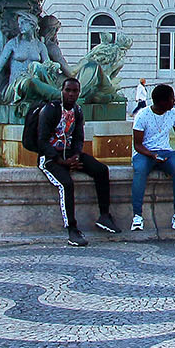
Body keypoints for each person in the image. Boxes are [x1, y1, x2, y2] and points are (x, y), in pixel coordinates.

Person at [35, 77, 115, 247]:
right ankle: (72, 229)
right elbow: (41, 141)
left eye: (75, 91)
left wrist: (76, 156)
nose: (71, 94)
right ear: (61, 91)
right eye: (68, 90)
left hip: (70, 154)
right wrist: (60, 161)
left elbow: (78, 137)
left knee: (101, 170)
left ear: (79, 93)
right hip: (50, 158)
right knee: (66, 184)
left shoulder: (77, 110)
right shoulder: (50, 110)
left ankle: (104, 215)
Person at [131, 82, 175, 232]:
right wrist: (152, 155)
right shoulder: (142, 115)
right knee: (140, 171)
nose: (174, 101)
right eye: (171, 99)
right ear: (162, 102)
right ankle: (137, 215)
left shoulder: (173, 113)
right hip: (144, 153)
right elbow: (137, 145)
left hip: (165, 151)